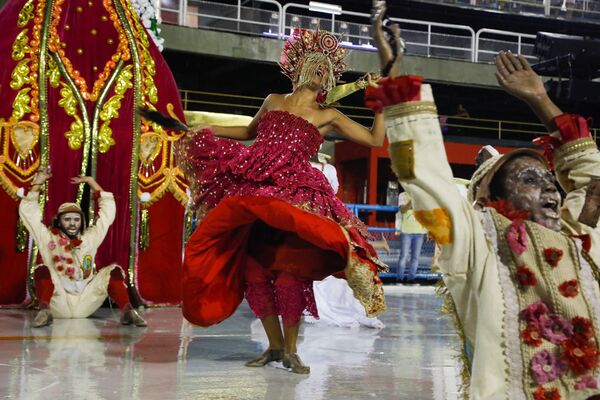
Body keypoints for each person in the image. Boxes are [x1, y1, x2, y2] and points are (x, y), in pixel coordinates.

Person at [368, 4, 600, 397]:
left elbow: (591, 177)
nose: (549, 189)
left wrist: (540, 99)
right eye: (529, 178)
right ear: (488, 198)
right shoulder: (477, 244)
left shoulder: (579, 235)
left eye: (549, 179)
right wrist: (394, 78)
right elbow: (422, 174)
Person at [174, 27, 387, 374]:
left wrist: (381, 104)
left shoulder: (327, 116)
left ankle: (291, 350)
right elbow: (247, 132)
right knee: (254, 272)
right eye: (317, 68)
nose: (322, 76)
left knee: (290, 275)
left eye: (328, 72)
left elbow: (375, 140)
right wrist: (207, 130)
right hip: (255, 184)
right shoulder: (273, 100)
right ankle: (273, 348)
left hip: (295, 194)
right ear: (301, 65)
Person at [20, 166, 146, 328]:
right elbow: (29, 215)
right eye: (67, 219)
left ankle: (128, 312)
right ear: (59, 221)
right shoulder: (47, 238)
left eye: (76, 219)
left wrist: (92, 183)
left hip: (85, 302)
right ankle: (44, 311)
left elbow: (107, 214)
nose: (72, 223)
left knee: (112, 271)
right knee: (42, 269)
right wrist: (37, 183)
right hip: (59, 303)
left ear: (82, 222)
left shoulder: (89, 238)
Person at [307, 156, 386, 329]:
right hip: (327, 214)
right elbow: (334, 190)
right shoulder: (328, 169)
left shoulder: (296, 165)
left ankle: (308, 302)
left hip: (305, 214)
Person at [396, 192, 428, 282]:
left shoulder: (422, 195)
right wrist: (412, 200)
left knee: (415, 257)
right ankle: (399, 278)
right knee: (403, 256)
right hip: (406, 231)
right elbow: (403, 210)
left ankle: (411, 278)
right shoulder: (402, 195)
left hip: (420, 232)